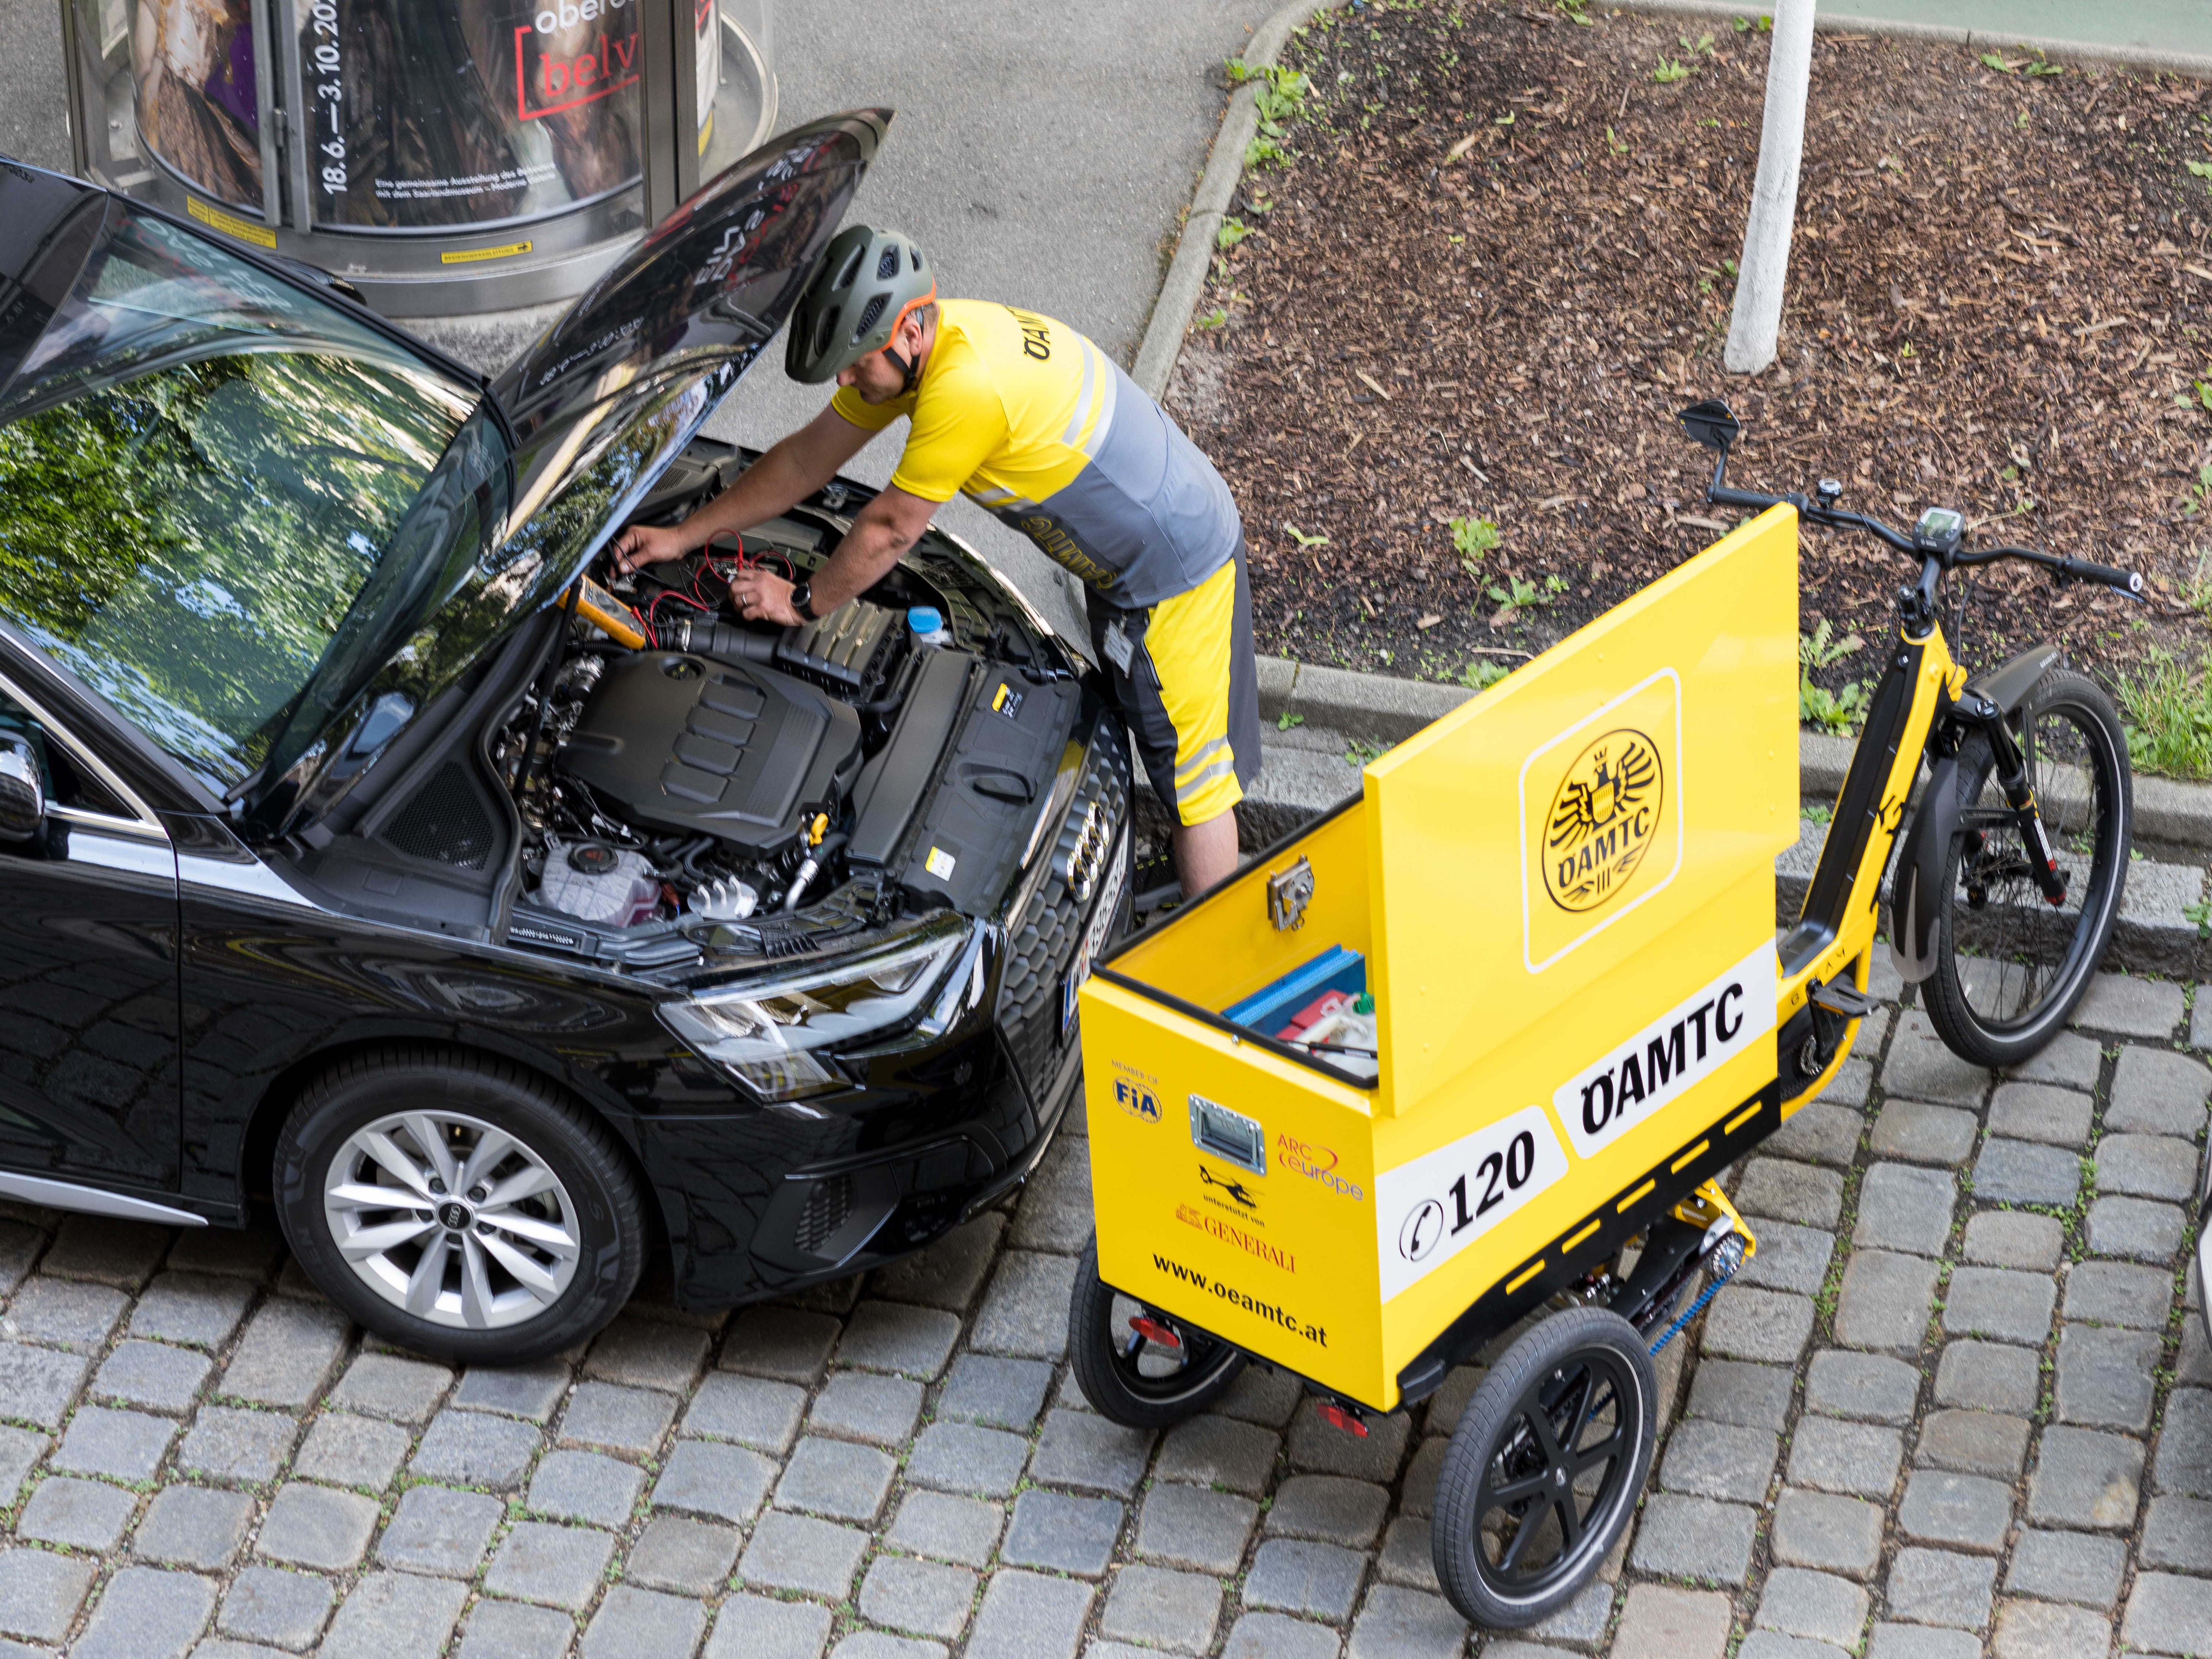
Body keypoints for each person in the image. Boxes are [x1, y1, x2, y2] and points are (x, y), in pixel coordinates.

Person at [611, 224, 1261, 898]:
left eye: (857, 360)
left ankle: (1211, 987)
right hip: (1136, 542)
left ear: (908, 333)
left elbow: (890, 530)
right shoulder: (931, 342)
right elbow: (808, 456)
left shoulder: (964, 387)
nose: (846, 376)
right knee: (1165, 745)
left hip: (1169, 566)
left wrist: (800, 603)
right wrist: (685, 536)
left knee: (1194, 783)